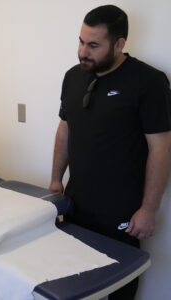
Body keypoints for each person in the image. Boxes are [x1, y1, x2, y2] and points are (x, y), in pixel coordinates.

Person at [49, 5, 171, 299]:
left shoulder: (149, 82)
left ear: (119, 44)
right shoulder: (72, 77)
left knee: (120, 285)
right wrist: (55, 180)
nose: (83, 51)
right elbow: (65, 128)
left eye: (93, 45)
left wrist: (149, 209)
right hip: (76, 201)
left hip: (123, 210)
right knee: (74, 277)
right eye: (81, 41)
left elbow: (161, 147)